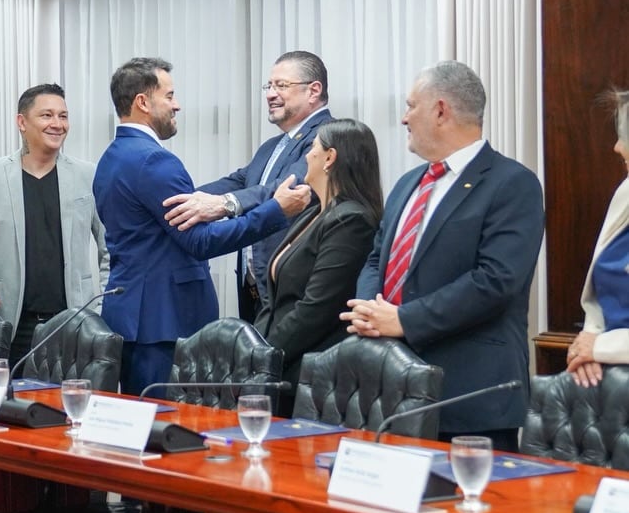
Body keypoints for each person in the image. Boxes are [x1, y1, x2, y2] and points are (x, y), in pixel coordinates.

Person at [342, 61, 544, 452]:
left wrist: (403, 320)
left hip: (468, 396)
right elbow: (376, 257)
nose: (403, 118)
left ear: (440, 110)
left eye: (410, 105)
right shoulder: (408, 183)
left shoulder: (512, 183)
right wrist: (370, 308)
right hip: (391, 392)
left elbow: (496, 280)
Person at [93, 57, 311, 395]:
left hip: (134, 316)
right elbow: (202, 242)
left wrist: (212, 202)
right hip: (163, 321)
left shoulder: (111, 157)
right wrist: (276, 212)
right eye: (169, 96)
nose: (176, 105)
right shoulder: (154, 159)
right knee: (167, 428)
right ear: (142, 103)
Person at [163, 51, 333, 322]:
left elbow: (288, 188)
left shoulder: (326, 136)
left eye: (281, 85)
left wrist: (223, 205)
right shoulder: (273, 145)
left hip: (295, 289)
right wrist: (176, 198)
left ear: (313, 91)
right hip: (257, 291)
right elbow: (241, 180)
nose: (270, 94)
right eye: (269, 86)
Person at [0, 83, 110, 364]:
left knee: (68, 407)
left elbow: (110, 246)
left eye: (63, 116)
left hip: (73, 322)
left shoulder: (88, 175)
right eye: (47, 115)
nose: (57, 124)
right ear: (22, 122)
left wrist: (103, 306)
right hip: (8, 323)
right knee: (11, 407)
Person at [253, 119, 382, 414]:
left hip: (309, 375)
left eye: (312, 148)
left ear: (330, 158)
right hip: (277, 366)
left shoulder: (351, 220)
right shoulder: (313, 212)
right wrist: (251, 348)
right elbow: (275, 301)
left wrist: (262, 355)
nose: (306, 157)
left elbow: (315, 309)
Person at [567, 90, 629, 387]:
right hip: (613, 382)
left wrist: (602, 347)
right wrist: (589, 339)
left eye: (624, 136)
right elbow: (600, 292)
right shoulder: (626, 193)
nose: (617, 147)